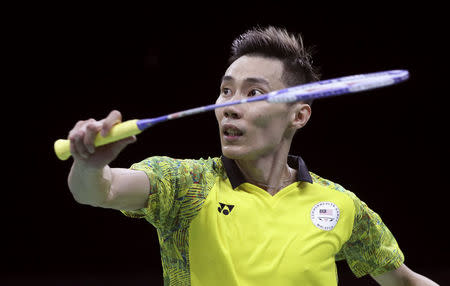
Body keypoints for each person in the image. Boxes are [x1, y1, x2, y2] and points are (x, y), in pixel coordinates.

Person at [67, 26, 439, 285]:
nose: (230, 107)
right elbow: (100, 191)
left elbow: (404, 281)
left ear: (298, 115)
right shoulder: (187, 186)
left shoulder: (341, 206)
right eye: (225, 91)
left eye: (253, 93)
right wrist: (90, 163)